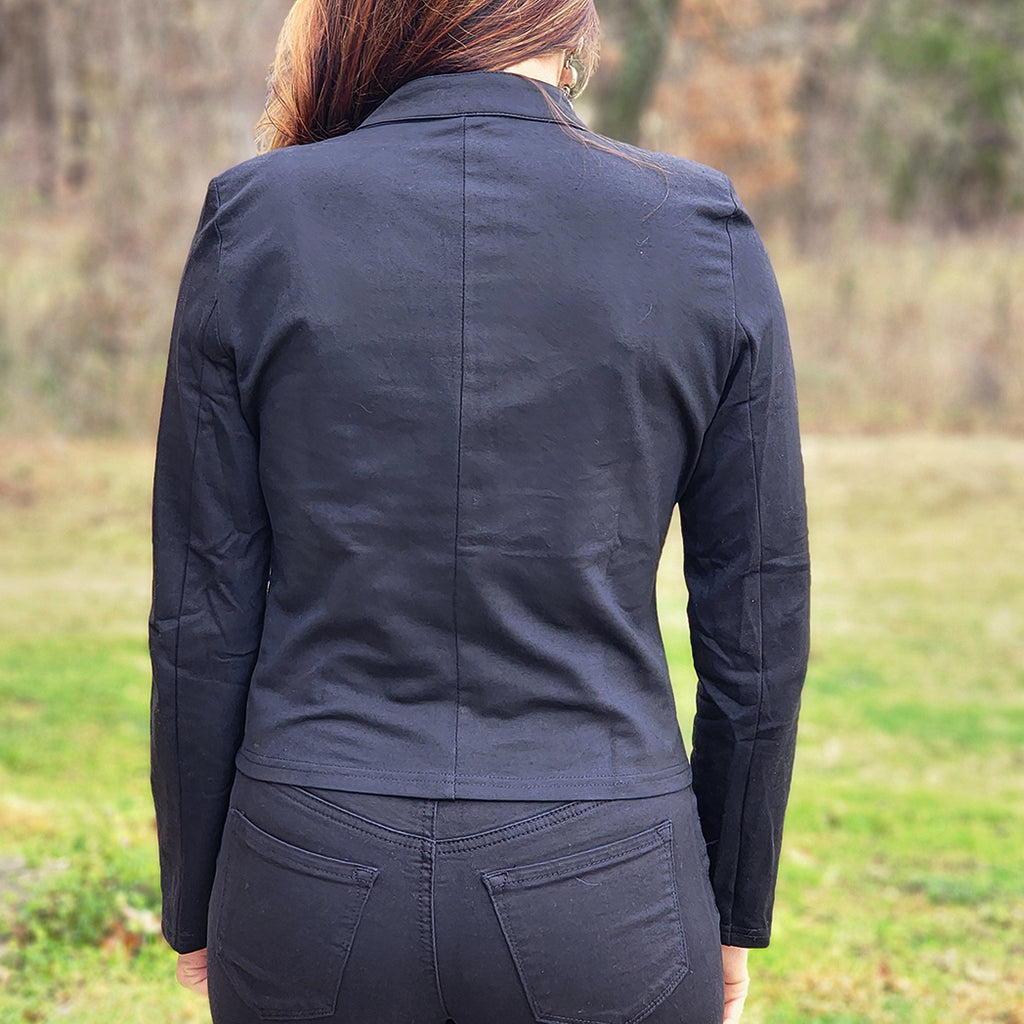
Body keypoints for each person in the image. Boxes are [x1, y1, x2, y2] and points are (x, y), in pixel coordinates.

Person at [149, 1, 810, 1022]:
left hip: (308, 867)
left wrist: (197, 898)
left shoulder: (258, 215)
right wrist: (731, 903)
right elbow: (756, 622)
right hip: (607, 878)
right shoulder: (697, 226)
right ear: (571, 29)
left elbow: (201, 612)